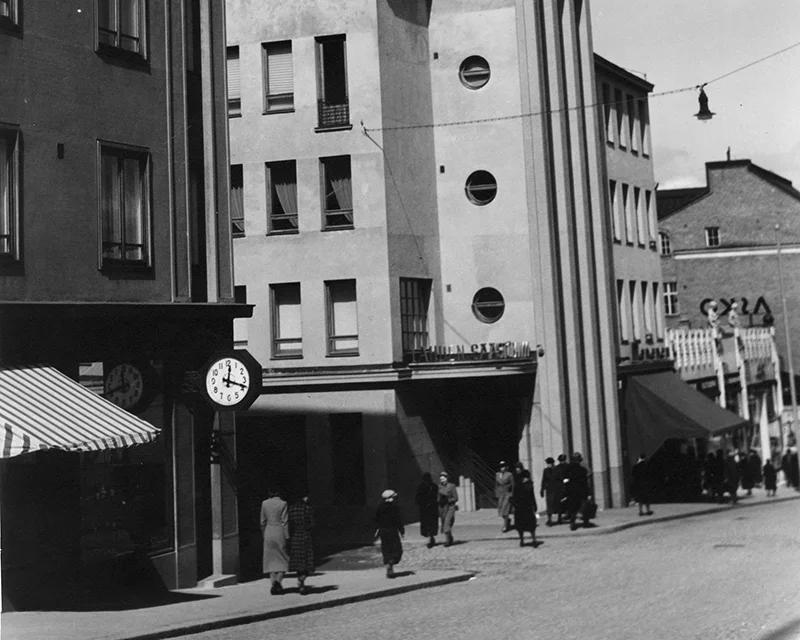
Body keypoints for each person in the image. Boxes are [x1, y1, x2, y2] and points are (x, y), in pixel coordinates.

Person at [261, 487, 289, 595]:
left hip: (269, 530)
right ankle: (278, 581)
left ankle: (273, 584)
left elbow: (262, 521)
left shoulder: (264, 503)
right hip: (279, 531)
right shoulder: (283, 503)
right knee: (283, 559)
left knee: (270, 560)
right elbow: (284, 521)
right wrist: (287, 536)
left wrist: (264, 534)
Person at [288, 493, 315, 595]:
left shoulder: (291, 509)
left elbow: (289, 524)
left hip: (295, 536)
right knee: (307, 561)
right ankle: (301, 581)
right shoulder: (308, 509)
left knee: (298, 562)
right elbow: (312, 524)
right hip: (305, 536)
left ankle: (301, 581)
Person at [374, 489, 404, 579]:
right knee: (397, 549)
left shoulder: (379, 507)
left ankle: (388, 564)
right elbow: (398, 520)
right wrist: (401, 530)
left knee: (386, 549)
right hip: (392, 530)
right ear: (391, 498)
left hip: (383, 531)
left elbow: (376, 520)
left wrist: (376, 530)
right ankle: (391, 562)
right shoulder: (394, 508)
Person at [564, 452, 592, 531]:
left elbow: (565, 480)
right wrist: (588, 493)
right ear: (580, 460)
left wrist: (566, 490)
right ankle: (585, 521)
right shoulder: (582, 470)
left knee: (573, 507)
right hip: (581, 491)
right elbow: (585, 483)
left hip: (571, 491)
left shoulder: (568, 468)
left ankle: (572, 522)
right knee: (584, 506)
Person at [511, 469, 538, 547]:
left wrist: (534, 506)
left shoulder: (524, 485)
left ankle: (529, 540)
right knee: (524, 525)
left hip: (523, 508)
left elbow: (531, 496)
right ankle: (524, 540)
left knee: (529, 525)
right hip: (522, 508)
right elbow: (531, 496)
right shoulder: (524, 485)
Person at [415, 472, 439, 548]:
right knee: (430, 524)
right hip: (429, 508)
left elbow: (418, 497)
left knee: (429, 524)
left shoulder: (431, 486)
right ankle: (430, 537)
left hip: (427, 508)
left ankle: (430, 538)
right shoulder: (432, 486)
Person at [438, 471, 458, 547]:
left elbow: (456, 498)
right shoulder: (439, 487)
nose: (442, 480)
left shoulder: (452, 486)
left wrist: (448, 500)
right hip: (442, 508)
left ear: (446, 478)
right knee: (444, 524)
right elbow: (437, 497)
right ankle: (450, 537)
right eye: (441, 479)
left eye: (443, 478)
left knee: (447, 523)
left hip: (450, 507)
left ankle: (448, 541)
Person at [540, 457, 560, 526]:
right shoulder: (546, 470)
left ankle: (559, 518)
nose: (548, 465)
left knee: (557, 504)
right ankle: (549, 519)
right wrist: (542, 489)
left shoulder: (557, 470)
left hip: (556, 489)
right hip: (549, 489)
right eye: (547, 463)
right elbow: (543, 480)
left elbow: (560, 479)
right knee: (549, 505)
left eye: (549, 463)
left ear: (552, 463)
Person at [495, 461, 514, 533]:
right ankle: (508, 520)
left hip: (507, 494)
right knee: (501, 511)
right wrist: (496, 494)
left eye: (503, 466)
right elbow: (496, 485)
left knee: (505, 510)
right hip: (500, 494)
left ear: (506, 467)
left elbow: (513, 484)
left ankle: (505, 526)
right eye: (501, 467)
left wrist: (512, 494)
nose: (502, 468)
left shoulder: (509, 474)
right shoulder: (497, 474)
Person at [554, 454, 569, 524]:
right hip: (566, 486)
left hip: (560, 487)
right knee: (567, 501)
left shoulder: (556, 468)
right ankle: (567, 515)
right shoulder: (568, 466)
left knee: (560, 502)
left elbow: (555, 478)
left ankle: (560, 517)